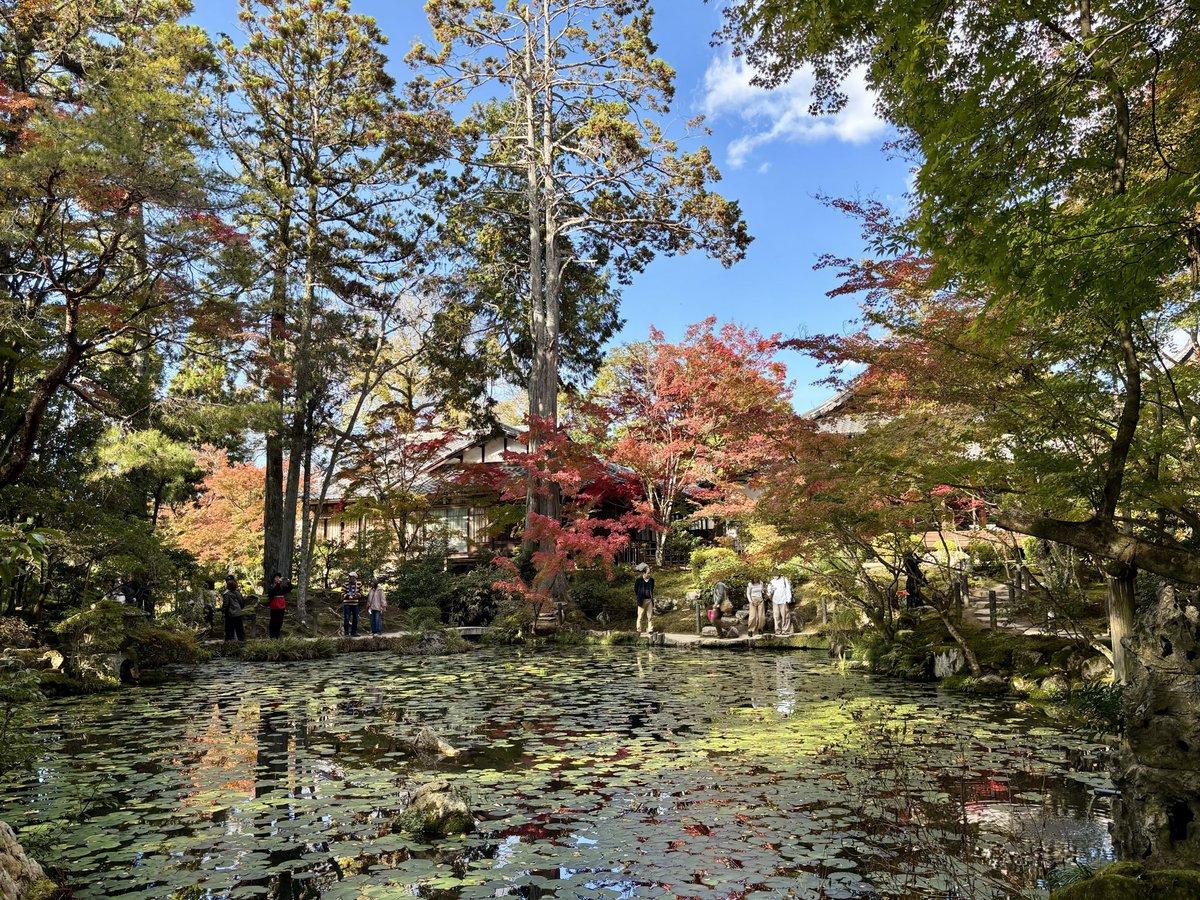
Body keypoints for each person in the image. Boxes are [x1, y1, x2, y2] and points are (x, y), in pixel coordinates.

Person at [267, 572, 294, 639]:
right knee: (274, 622)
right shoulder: (271, 587)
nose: (278, 579)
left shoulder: (281, 587)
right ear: (273, 579)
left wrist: (288, 582)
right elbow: (273, 592)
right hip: (274, 608)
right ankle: (272, 636)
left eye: (279, 577)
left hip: (281, 607)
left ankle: (277, 635)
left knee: (280, 622)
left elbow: (289, 589)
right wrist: (278, 584)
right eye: (276, 577)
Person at [221, 575, 246, 642]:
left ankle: (230, 644)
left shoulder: (226, 594)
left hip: (230, 615)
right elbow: (242, 603)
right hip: (238, 614)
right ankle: (242, 642)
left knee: (229, 631)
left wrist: (223, 612)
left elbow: (226, 605)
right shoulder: (238, 593)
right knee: (240, 630)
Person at [634, 565, 655, 633]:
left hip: (649, 600)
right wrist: (640, 596)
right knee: (640, 616)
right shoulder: (638, 580)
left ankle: (650, 629)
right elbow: (636, 589)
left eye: (650, 573)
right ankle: (638, 630)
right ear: (644, 573)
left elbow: (652, 589)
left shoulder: (652, 580)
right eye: (648, 573)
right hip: (641, 600)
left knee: (650, 616)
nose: (649, 574)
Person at [343, 572, 361, 637]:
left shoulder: (359, 584)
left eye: (353, 578)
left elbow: (361, 592)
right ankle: (346, 632)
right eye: (350, 578)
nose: (352, 579)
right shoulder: (346, 584)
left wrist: (358, 595)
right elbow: (342, 593)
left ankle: (354, 632)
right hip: (347, 603)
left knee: (355, 618)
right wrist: (347, 595)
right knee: (347, 618)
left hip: (355, 603)